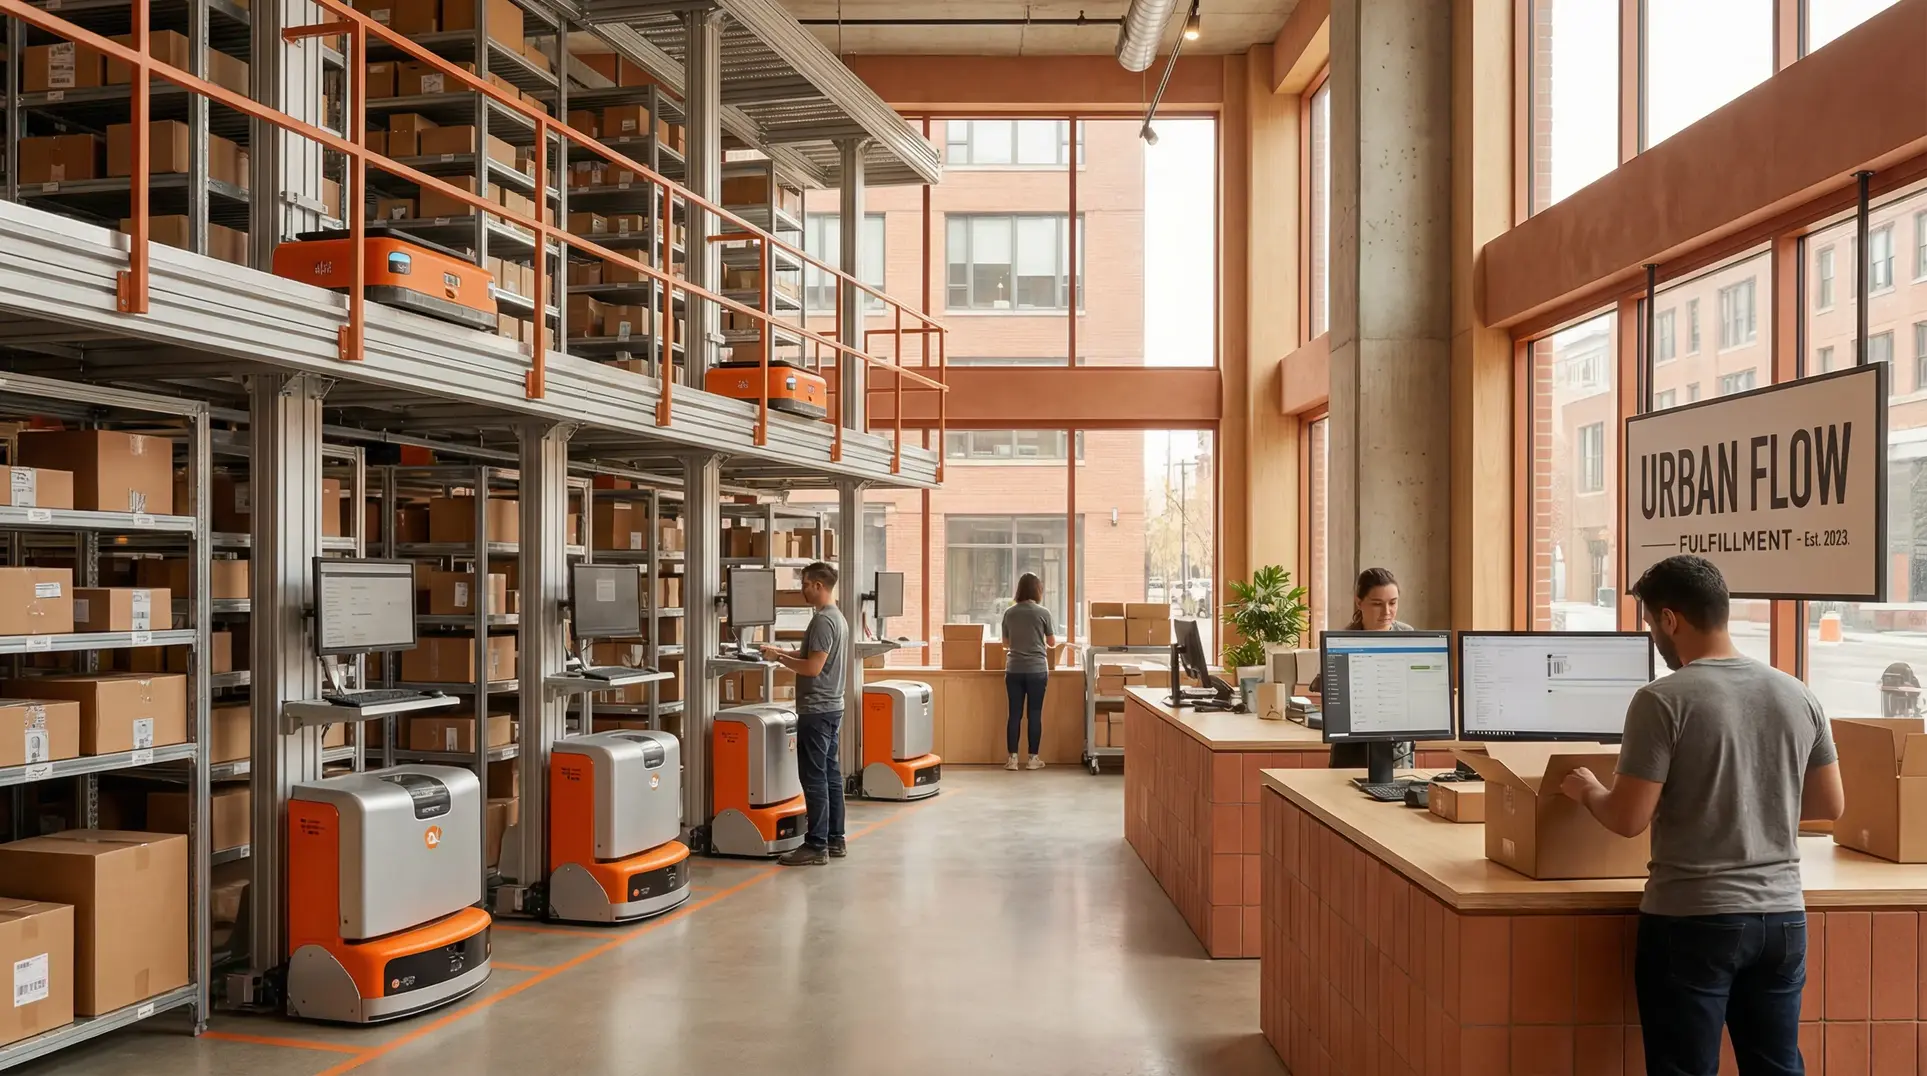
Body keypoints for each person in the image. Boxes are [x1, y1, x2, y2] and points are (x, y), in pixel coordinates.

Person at [1560, 555, 1844, 1075]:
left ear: (1670, 620)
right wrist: (1753, 800)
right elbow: (1831, 805)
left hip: (1693, 918)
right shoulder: (1798, 693)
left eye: (1651, 623)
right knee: (1777, 1067)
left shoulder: (1662, 700)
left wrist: (1588, 790)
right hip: (1782, 919)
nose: (1654, 636)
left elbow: (1628, 818)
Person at [761, 562, 849, 866]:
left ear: (818, 586)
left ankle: (815, 845)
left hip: (817, 710)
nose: (802, 590)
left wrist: (781, 660)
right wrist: (780, 652)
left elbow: (812, 668)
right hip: (831, 707)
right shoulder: (836, 617)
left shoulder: (823, 621)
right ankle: (835, 839)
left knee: (813, 778)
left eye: (805, 584)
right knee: (830, 775)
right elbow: (809, 655)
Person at [1319, 568, 1413, 769]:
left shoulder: (1408, 635)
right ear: (1359, 602)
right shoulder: (1341, 642)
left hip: (1398, 751)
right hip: (1352, 751)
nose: (1387, 612)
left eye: (1393, 603)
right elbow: (1330, 694)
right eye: (1377, 604)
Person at [1000, 573, 1058, 771]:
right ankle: (1033, 759)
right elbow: (1052, 643)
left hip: (1014, 669)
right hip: (1037, 670)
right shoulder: (1043, 612)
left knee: (1014, 714)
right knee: (1034, 713)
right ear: (1038, 590)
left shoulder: (1009, 613)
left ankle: (1013, 759)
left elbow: (1005, 643)